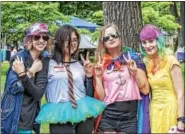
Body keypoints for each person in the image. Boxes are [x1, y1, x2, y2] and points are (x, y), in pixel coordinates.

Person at [35, 25, 105, 134]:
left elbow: (89, 94)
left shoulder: (80, 64)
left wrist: (89, 76)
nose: (72, 43)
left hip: (82, 111)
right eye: (67, 40)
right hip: (60, 114)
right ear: (59, 41)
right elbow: (38, 92)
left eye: (75, 40)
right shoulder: (47, 63)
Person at [93, 24, 150, 133]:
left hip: (129, 119)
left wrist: (134, 73)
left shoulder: (132, 58)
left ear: (119, 37)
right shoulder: (102, 62)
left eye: (113, 35)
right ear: (103, 42)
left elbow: (145, 89)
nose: (111, 38)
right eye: (106, 37)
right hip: (108, 117)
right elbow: (101, 98)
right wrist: (98, 78)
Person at [1, 22, 52, 134]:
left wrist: (22, 74)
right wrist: (31, 72)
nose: (41, 40)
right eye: (37, 37)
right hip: (14, 115)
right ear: (30, 39)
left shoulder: (45, 61)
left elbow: (38, 94)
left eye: (45, 37)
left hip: (30, 118)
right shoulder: (19, 58)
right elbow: (12, 89)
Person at [139, 24, 185, 133]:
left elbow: (180, 94)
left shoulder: (171, 60)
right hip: (154, 111)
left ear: (158, 41)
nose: (147, 45)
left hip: (171, 110)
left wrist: (181, 122)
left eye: (151, 41)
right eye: (144, 42)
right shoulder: (146, 62)